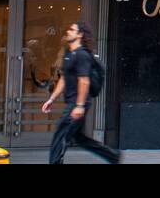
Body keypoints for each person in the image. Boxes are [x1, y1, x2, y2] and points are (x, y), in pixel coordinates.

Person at [43, 22, 121, 164]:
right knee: (77, 137)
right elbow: (63, 79)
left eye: (72, 29)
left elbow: (84, 81)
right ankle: (112, 156)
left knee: (61, 134)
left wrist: (79, 106)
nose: (68, 31)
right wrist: (51, 99)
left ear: (79, 35)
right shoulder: (69, 53)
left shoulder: (82, 55)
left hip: (78, 103)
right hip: (74, 102)